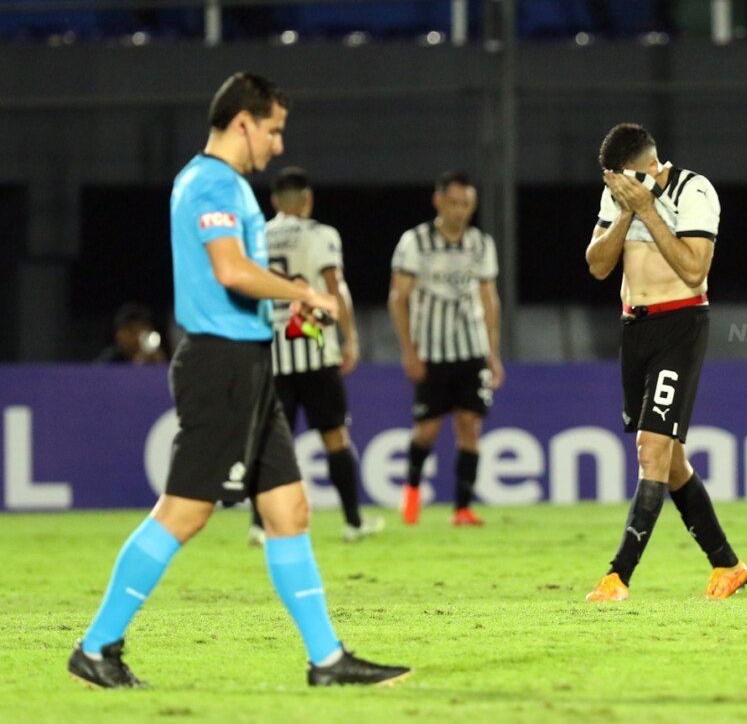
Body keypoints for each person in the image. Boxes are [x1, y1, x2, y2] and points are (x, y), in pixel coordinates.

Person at [67, 73, 409, 689]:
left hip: (250, 363)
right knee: (183, 514)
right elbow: (230, 269)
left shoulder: (224, 186)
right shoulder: (210, 183)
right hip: (219, 366)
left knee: (290, 510)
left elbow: (238, 276)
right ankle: (96, 647)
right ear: (243, 121)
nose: (277, 145)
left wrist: (284, 307)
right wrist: (305, 293)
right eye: (273, 130)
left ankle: (327, 661)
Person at [582, 123, 747, 602]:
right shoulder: (617, 194)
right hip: (634, 329)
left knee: (651, 450)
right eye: (612, 180)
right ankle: (728, 565)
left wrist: (648, 210)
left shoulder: (694, 191)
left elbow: (695, 270)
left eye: (625, 179)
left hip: (681, 324)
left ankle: (618, 576)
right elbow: (596, 265)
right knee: (671, 461)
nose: (617, 186)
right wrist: (622, 214)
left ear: (651, 167)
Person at [246, 167, 384, 545]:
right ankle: (353, 522)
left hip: (272, 351)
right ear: (307, 199)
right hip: (316, 349)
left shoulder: (256, 235)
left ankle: (259, 525)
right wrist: (350, 337)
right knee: (335, 436)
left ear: (275, 202)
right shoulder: (321, 235)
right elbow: (334, 285)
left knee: (271, 440)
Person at [389, 172, 504, 527]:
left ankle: (462, 508)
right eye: (454, 202)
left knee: (470, 425)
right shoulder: (415, 242)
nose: (460, 210)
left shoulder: (481, 244)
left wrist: (493, 353)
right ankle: (411, 493)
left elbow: (489, 299)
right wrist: (409, 350)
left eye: (466, 203)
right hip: (432, 352)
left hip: (471, 350)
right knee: (427, 429)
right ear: (438, 201)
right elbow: (399, 298)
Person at [95, 302, 168, 365]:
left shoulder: (161, 355)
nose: (138, 336)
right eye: (131, 330)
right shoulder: (110, 360)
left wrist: (161, 365)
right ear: (118, 335)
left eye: (143, 328)